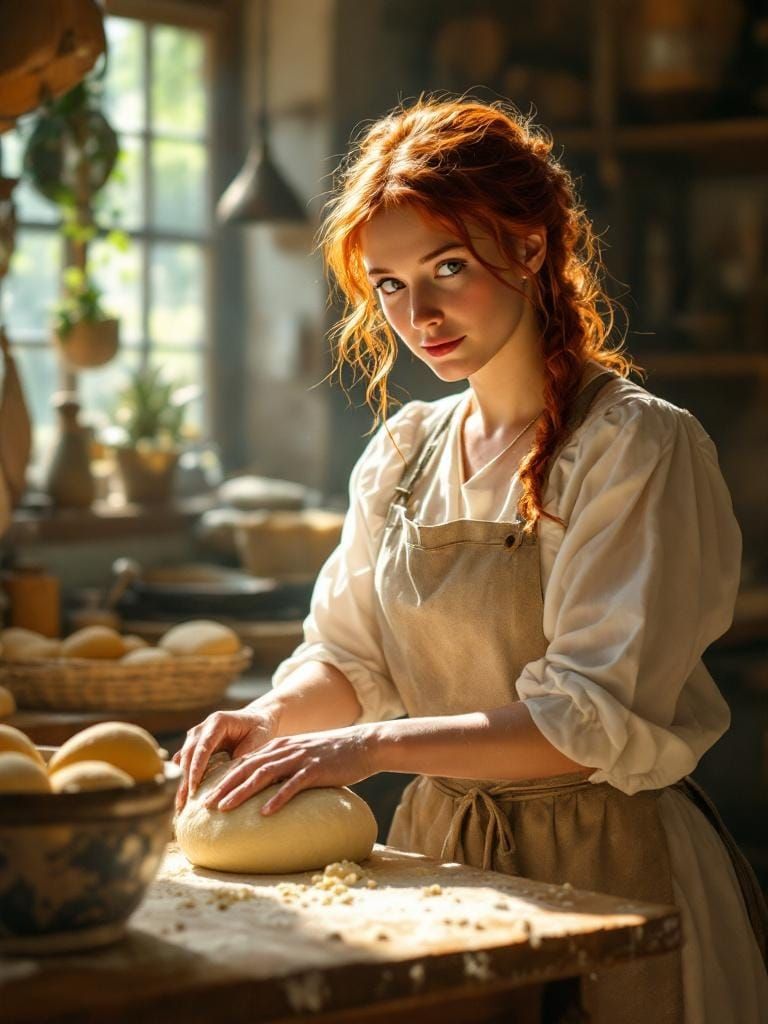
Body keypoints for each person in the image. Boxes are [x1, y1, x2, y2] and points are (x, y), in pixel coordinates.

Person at [175, 97, 768, 1022]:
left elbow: (582, 716)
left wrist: (363, 748)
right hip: (440, 863)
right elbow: (351, 659)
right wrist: (268, 722)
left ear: (530, 248)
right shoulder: (404, 452)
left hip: (613, 864)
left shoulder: (630, 447)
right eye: (390, 285)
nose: (422, 314)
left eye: (448, 267)